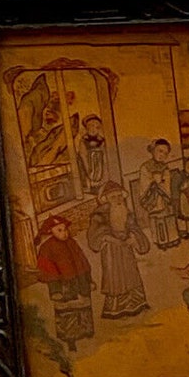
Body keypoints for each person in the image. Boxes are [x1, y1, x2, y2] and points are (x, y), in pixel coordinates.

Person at [88, 181, 150, 318]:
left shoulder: (126, 212)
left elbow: (134, 228)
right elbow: (94, 236)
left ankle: (137, 304)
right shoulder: (99, 215)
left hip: (126, 249)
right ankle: (116, 310)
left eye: (119, 196)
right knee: (115, 277)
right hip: (111, 250)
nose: (118, 199)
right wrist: (109, 239)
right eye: (113, 197)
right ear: (106, 199)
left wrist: (133, 238)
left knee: (130, 274)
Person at [34, 214, 94, 350]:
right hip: (63, 285)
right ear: (51, 231)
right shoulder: (47, 248)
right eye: (59, 230)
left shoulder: (72, 243)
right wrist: (55, 290)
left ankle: (87, 332)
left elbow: (82, 261)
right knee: (67, 313)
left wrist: (88, 279)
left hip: (79, 280)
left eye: (65, 229)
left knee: (84, 308)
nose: (64, 233)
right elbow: (47, 269)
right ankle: (70, 340)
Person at [138, 138, 180, 249]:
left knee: (169, 219)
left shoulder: (165, 167)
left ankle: (172, 238)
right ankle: (161, 241)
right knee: (157, 221)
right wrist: (154, 182)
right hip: (153, 199)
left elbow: (167, 183)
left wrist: (162, 183)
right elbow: (144, 183)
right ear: (153, 150)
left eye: (165, 153)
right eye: (160, 151)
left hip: (164, 198)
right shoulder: (145, 167)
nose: (162, 155)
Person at [76, 114, 107, 194]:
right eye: (91, 126)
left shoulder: (101, 141)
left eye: (97, 127)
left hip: (99, 167)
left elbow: (104, 156)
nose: (94, 129)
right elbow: (83, 156)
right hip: (88, 168)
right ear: (87, 128)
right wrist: (89, 173)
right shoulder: (83, 141)